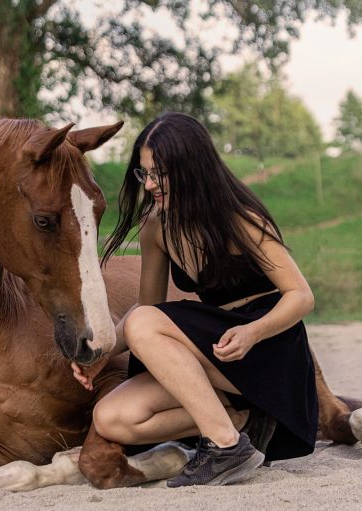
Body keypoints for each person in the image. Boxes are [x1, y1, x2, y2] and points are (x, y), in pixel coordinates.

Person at [71, 112, 319, 487]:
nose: (149, 184)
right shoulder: (157, 225)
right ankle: (240, 422)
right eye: (144, 173)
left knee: (144, 323)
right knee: (111, 418)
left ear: (191, 167)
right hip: (217, 351)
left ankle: (225, 446)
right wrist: (104, 353)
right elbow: (147, 305)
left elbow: (301, 295)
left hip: (266, 348)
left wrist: (253, 332)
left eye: (159, 174)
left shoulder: (239, 218)